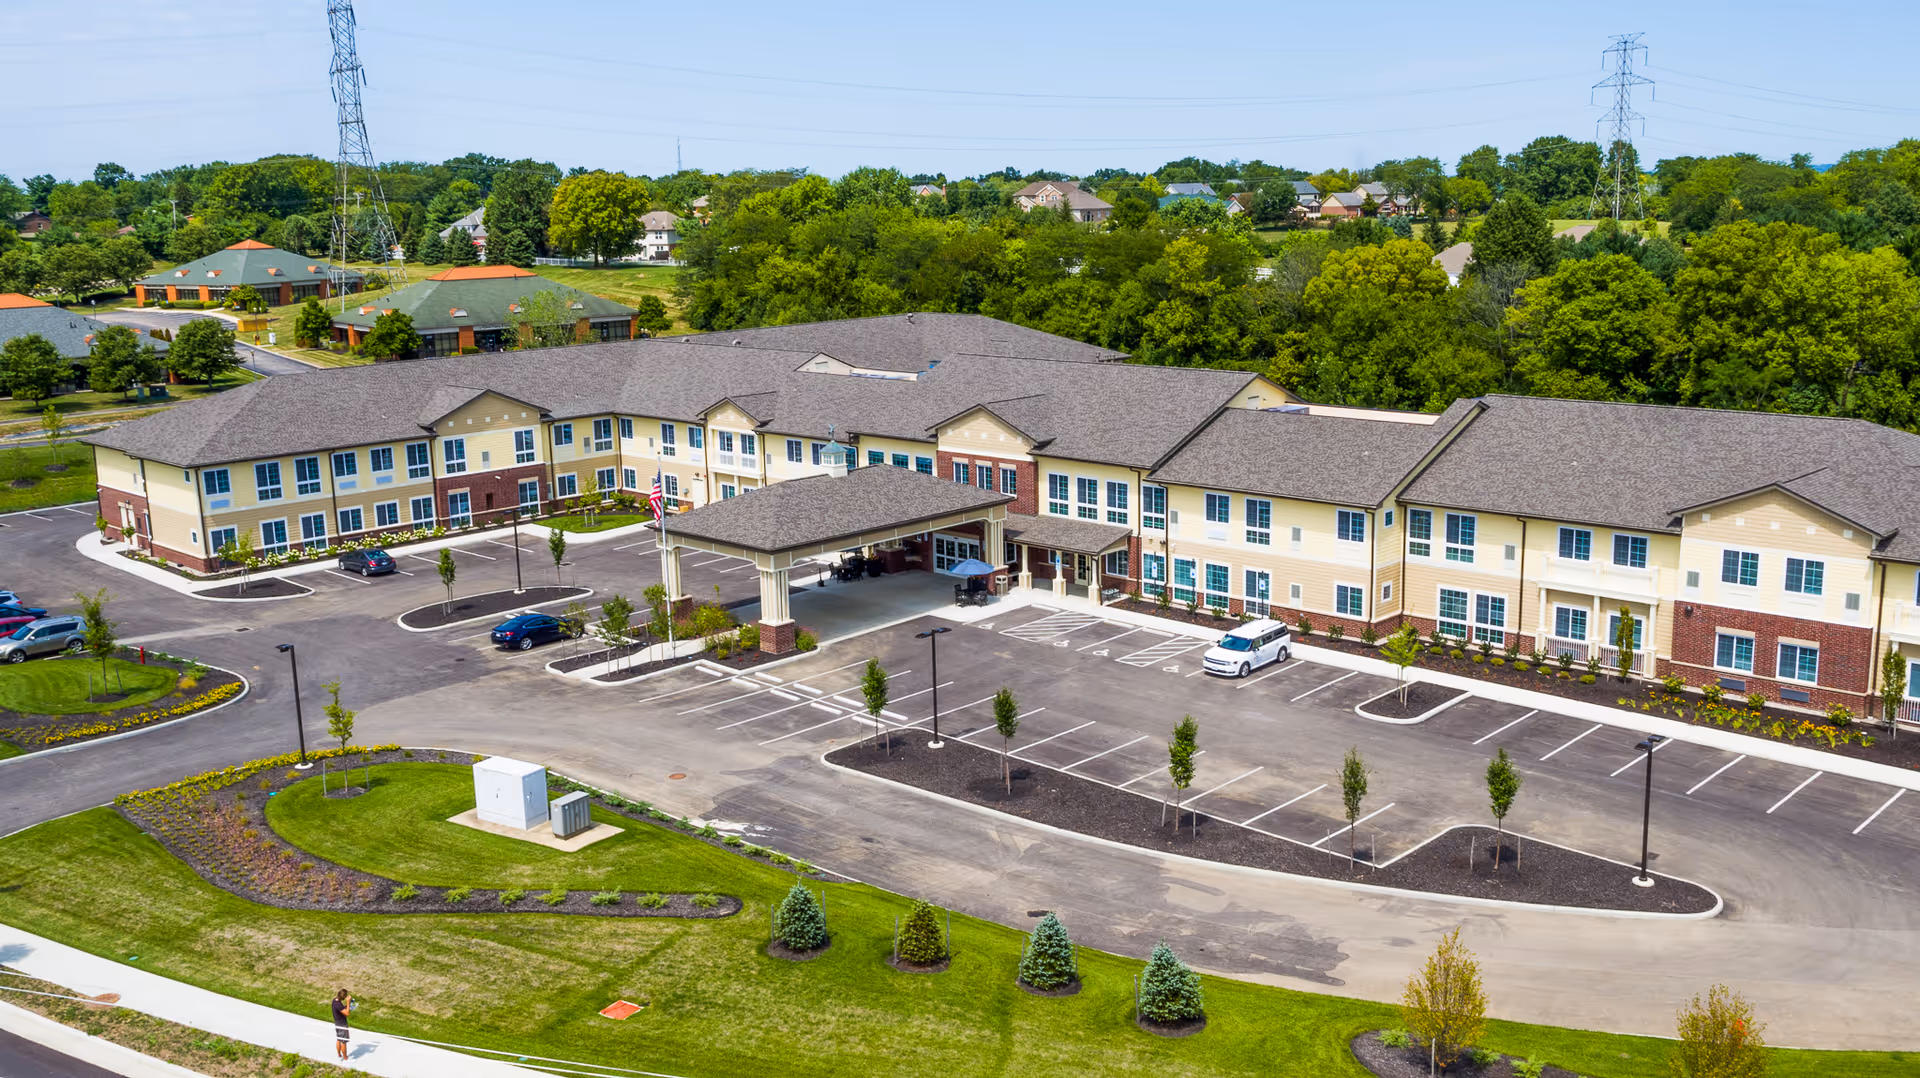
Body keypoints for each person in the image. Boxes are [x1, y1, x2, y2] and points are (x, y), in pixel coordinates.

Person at [331, 989, 354, 1061]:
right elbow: (347, 1013)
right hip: (342, 1025)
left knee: (338, 1039)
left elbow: (341, 1009)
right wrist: (348, 1002)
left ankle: (339, 1054)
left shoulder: (335, 1001)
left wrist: (347, 1005)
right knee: (344, 1042)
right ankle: (345, 1057)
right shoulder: (338, 1004)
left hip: (337, 1023)